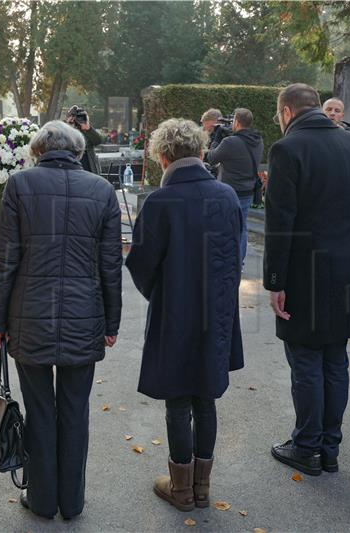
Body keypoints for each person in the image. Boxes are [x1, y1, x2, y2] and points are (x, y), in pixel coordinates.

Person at [0, 120, 122, 520]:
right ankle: (72, 501)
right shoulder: (101, 191)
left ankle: (43, 500)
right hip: (84, 319)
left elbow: (4, 261)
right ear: (78, 151)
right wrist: (111, 323)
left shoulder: (20, 185)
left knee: (40, 410)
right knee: (75, 412)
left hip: (30, 319)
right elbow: (110, 266)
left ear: (38, 150)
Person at [125, 118, 243, 512]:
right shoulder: (226, 196)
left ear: (163, 156)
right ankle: (202, 487)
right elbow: (236, 256)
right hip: (218, 309)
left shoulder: (160, 202)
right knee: (205, 396)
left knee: (178, 400)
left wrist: (161, 292)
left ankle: (181, 489)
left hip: (175, 309)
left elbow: (141, 264)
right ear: (201, 152)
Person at [264, 83, 350, 476]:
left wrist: (275, 282)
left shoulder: (288, 149)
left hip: (304, 273)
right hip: (345, 270)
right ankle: (329, 447)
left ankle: (307, 444)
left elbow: (280, 222)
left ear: (287, 112)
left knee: (307, 360)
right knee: (336, 359)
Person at [206, 108, 265, 264]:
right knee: (242, 227)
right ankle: (239, 261)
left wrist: (217, 137)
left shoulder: (230, 142)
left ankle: (224, 259)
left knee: (224, 226)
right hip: (248, 190)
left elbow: (211, 157)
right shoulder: (258, 140)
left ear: (237, 122)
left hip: (228, 190)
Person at [65, 105, 102, 175]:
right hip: (71, 170)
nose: (76, 120)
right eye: (73, 116)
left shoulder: (86, 131)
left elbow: (98, 141)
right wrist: (68, 124)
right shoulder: (64, 129)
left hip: (88, 170)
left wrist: (88, 129)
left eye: (80, 117)